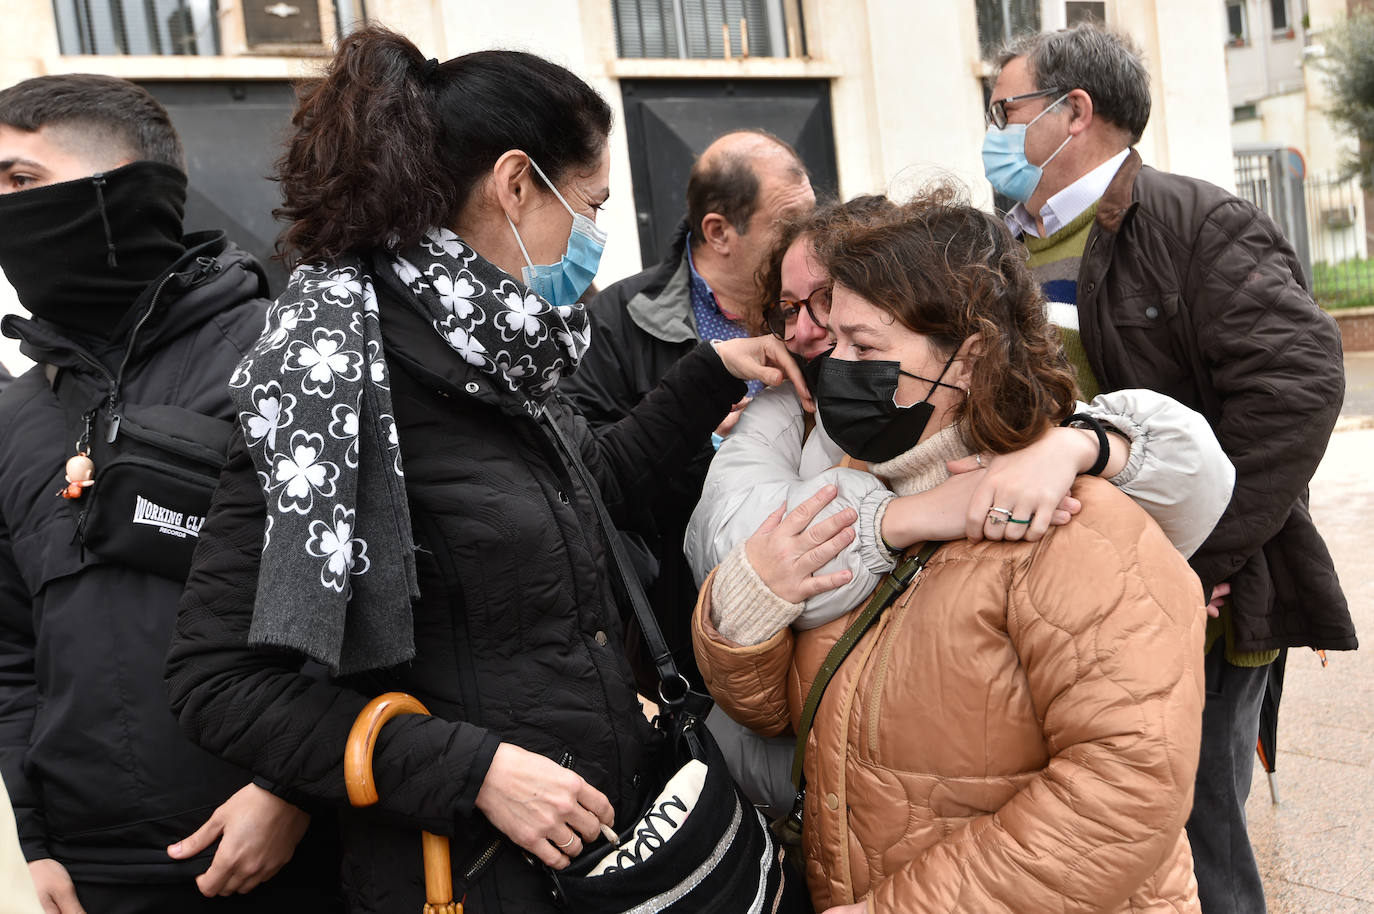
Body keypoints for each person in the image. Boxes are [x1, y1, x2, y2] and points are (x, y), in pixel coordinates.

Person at [164, 29, 808, 914]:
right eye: (591, 205)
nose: (594, 236)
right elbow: (220, 684)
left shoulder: (506, 349)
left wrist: (708, 375)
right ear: (516, 185)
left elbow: (590, 490)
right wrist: (476, 772)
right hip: (469, 873)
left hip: (597, 848)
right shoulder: (338, 383)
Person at [694, 189, 1206, 913]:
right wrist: (753, 595)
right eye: (834, 339)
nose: (834, 364)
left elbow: (1126, 792)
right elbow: (773, 710)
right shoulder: (859, 490)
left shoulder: (1076, 527)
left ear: (967, 361)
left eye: (864, 347)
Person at [985, 24, 1355, 913]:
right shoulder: (1000, 248)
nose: (994, 133)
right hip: (1067, 603)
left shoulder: (1196, 225)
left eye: (1006, 111)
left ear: (1075, 111)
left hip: (1201, 607)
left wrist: (1197, 558)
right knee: (1105, 849)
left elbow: (1298, 388)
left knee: (1194, 842)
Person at [0, 75, 330, 913]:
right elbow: (9, 651)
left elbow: (364, 584)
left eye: (21, 180)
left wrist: (290, 787)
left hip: (286, 852)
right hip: (90, 877)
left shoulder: (283, 356)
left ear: (127, 190)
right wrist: (31, 845)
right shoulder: (14, 416)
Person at [562, 130, 816, 685]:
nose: (807, 237)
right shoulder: (615, 321)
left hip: (818, 612)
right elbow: (592, 485)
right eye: (788, 224)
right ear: (719, 231)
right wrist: (703, 439)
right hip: (689, 635)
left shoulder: (823, 310)